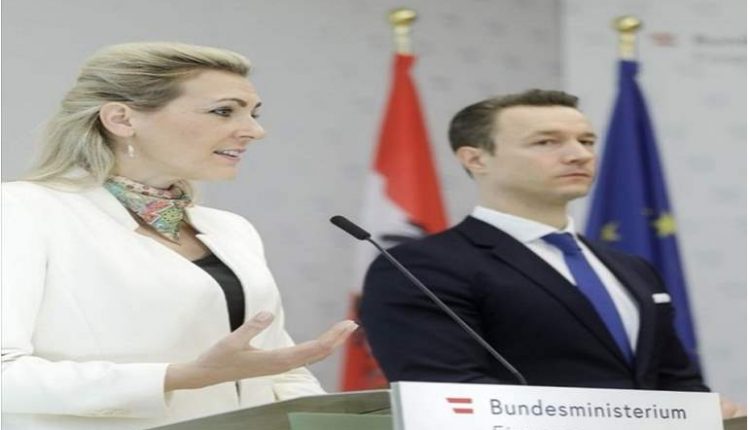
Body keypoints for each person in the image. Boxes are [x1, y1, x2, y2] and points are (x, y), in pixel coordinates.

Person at [1, 42, 358, 429]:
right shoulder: (22, 210)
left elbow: (275, 369)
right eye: (223, 111)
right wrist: (180, 377)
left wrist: (334, 421)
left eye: (253, 114)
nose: (255, 131)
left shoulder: (232, 229)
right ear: (121, 119)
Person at [360, 89, 744, 417]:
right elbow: (451, 396)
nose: (579, 155)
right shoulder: (421, 267)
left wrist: (705, 411)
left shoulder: (632, 268)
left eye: (587, 141)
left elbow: (675, 380)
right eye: (547, 142)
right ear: (476, 159)